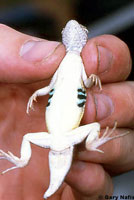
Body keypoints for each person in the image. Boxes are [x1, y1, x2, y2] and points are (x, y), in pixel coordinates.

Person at [0, 23, 133, 200]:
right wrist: (36, 93)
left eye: (80, 27)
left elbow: (85, 83)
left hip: (61, 135)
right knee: (93, 126)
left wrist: (92, 79)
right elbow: (50, 86)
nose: (72, 25)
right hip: (61, 134)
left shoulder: (79, 61)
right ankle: (24, 161)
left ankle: (90, 145)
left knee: (30, 137)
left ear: (84, 36)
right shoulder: (63, 61)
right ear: (62, 35)